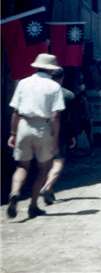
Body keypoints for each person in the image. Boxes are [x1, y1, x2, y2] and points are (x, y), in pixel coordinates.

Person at [6, 53, 65, 218]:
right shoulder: (54, 87)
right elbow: (55, 117)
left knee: (21, 166)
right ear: (51, 71)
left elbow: (16, 112)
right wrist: (54, 141)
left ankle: (15, 192)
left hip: (24, 125)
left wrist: (13, 133)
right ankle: (33, 205)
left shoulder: (23, 83)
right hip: (43, 128)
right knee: (42, 168)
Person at [40, 68, 79, 205]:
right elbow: (74, 117)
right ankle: (47, 187)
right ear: (62, 78)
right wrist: (74, 135)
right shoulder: (68, 95)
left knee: (46, 162)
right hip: (62, 131)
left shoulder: (43, 92)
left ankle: (50, 191)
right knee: (59, 162)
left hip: (43, 129)